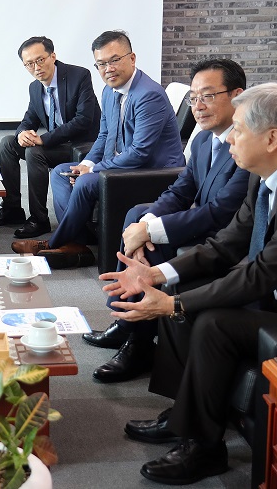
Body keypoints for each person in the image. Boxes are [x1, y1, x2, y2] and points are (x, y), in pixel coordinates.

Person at [100, 83, 277, 485]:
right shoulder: (269, 172)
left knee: (207, 319)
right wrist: (157, 275)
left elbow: (264, 272)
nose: (229, 137)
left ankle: (204, 449)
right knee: (180, 293)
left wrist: (175, 305)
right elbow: (229, 242)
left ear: (272, 138)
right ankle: (183, 416)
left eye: (238, 129)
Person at [86, 58, 250, 383]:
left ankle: (139, 343)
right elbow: (179, 191)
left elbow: (220, 212)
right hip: (206, 226)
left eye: (207, 96)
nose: (198, 107)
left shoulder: (247, 145)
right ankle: (130, 321)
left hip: (228, 239)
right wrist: (144, 224)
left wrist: (149, 230)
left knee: (149, 236)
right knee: (138, 218)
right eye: (193, 98)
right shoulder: (204, 139)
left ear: (237, 96)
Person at [12, 30, 185, 268]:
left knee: (84, 181)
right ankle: (77, 243)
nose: (108, 69)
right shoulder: (109, 91)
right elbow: (104, 136)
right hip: (124, 164)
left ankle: (56, 243)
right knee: (61, 173)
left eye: (114, 60)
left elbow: (139, 153)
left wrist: (95, 171)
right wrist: (88, 164)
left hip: (152, 172)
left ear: (132, 58)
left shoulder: (148, 95)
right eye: (101, 64)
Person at [0, 36, 101, 238]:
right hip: (58, 143)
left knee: (35, 152)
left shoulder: (79, 76)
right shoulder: (35, 87)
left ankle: (39, 219)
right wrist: (22, 133)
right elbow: (29, 119)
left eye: (40, 60)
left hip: (83, 146)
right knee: (8, 142)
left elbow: (84, 120)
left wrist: (44, 139)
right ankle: (12, 209)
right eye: (29, 64)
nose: (36, 67)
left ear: (53, 56)